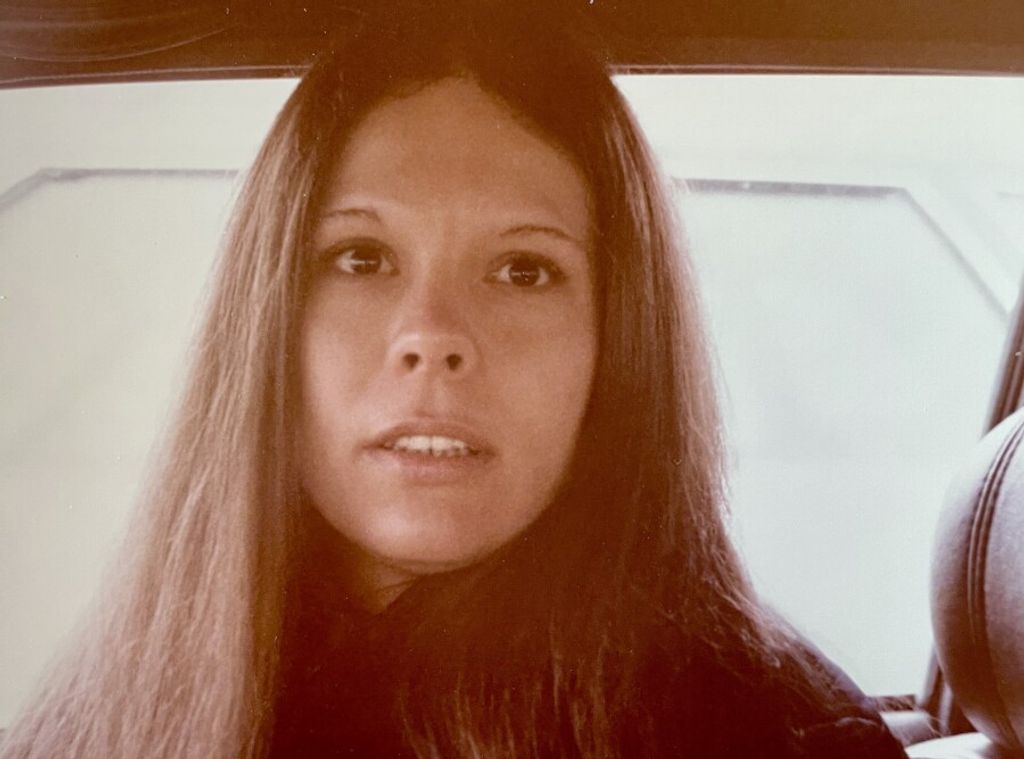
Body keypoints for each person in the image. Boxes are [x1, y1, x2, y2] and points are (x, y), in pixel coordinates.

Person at [2, 2, 908, 757]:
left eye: (522, 270)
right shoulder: (103, 709)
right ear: (267, 317)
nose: (431, 335)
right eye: (361, 258)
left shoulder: (773, 730)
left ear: (619, 339)